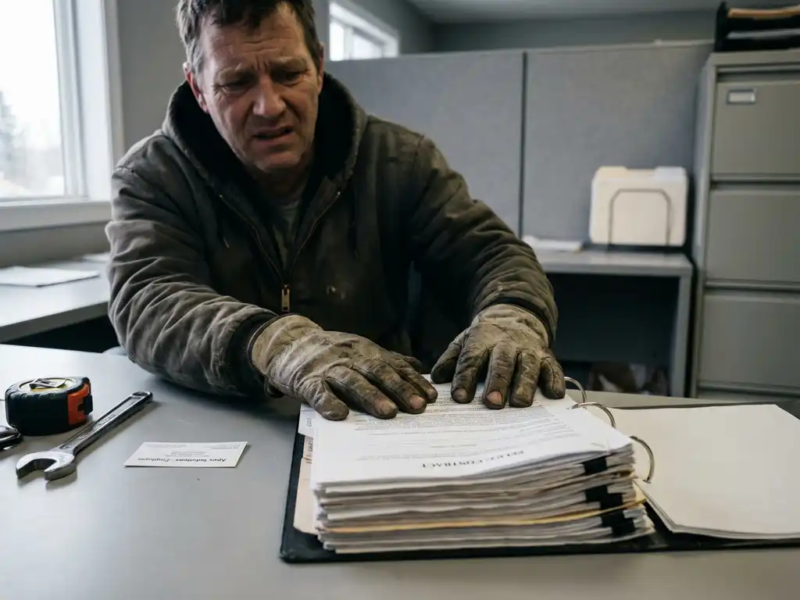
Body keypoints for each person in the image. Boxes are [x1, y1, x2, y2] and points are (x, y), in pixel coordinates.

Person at [106, 0, 565, 421]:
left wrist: (512, 315)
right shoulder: (152, 175)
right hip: (232, 420)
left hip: (378, 418)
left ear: (319, 68)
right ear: (199, 88)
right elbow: (148, 299)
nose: (269, 106)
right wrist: (274, 345)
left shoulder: (399, 160)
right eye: (237, 82)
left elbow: (490, 254)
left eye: (288, 74)